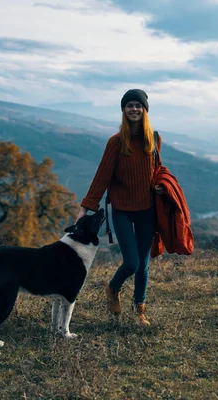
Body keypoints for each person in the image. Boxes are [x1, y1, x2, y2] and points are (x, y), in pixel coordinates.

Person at [76, 89, 164, 327]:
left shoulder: (154, 139)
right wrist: (86, 207)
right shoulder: (115, 142)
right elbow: (102, 176)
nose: (134, 109)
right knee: (132, 263)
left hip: (147, 209)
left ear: (145, 110)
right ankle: (113, 289)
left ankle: (139, 311)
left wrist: (160, 187)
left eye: (138, 105)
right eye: (129, 105)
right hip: (123, 210)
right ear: (124, 110)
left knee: (143, 265)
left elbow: (157, 170)